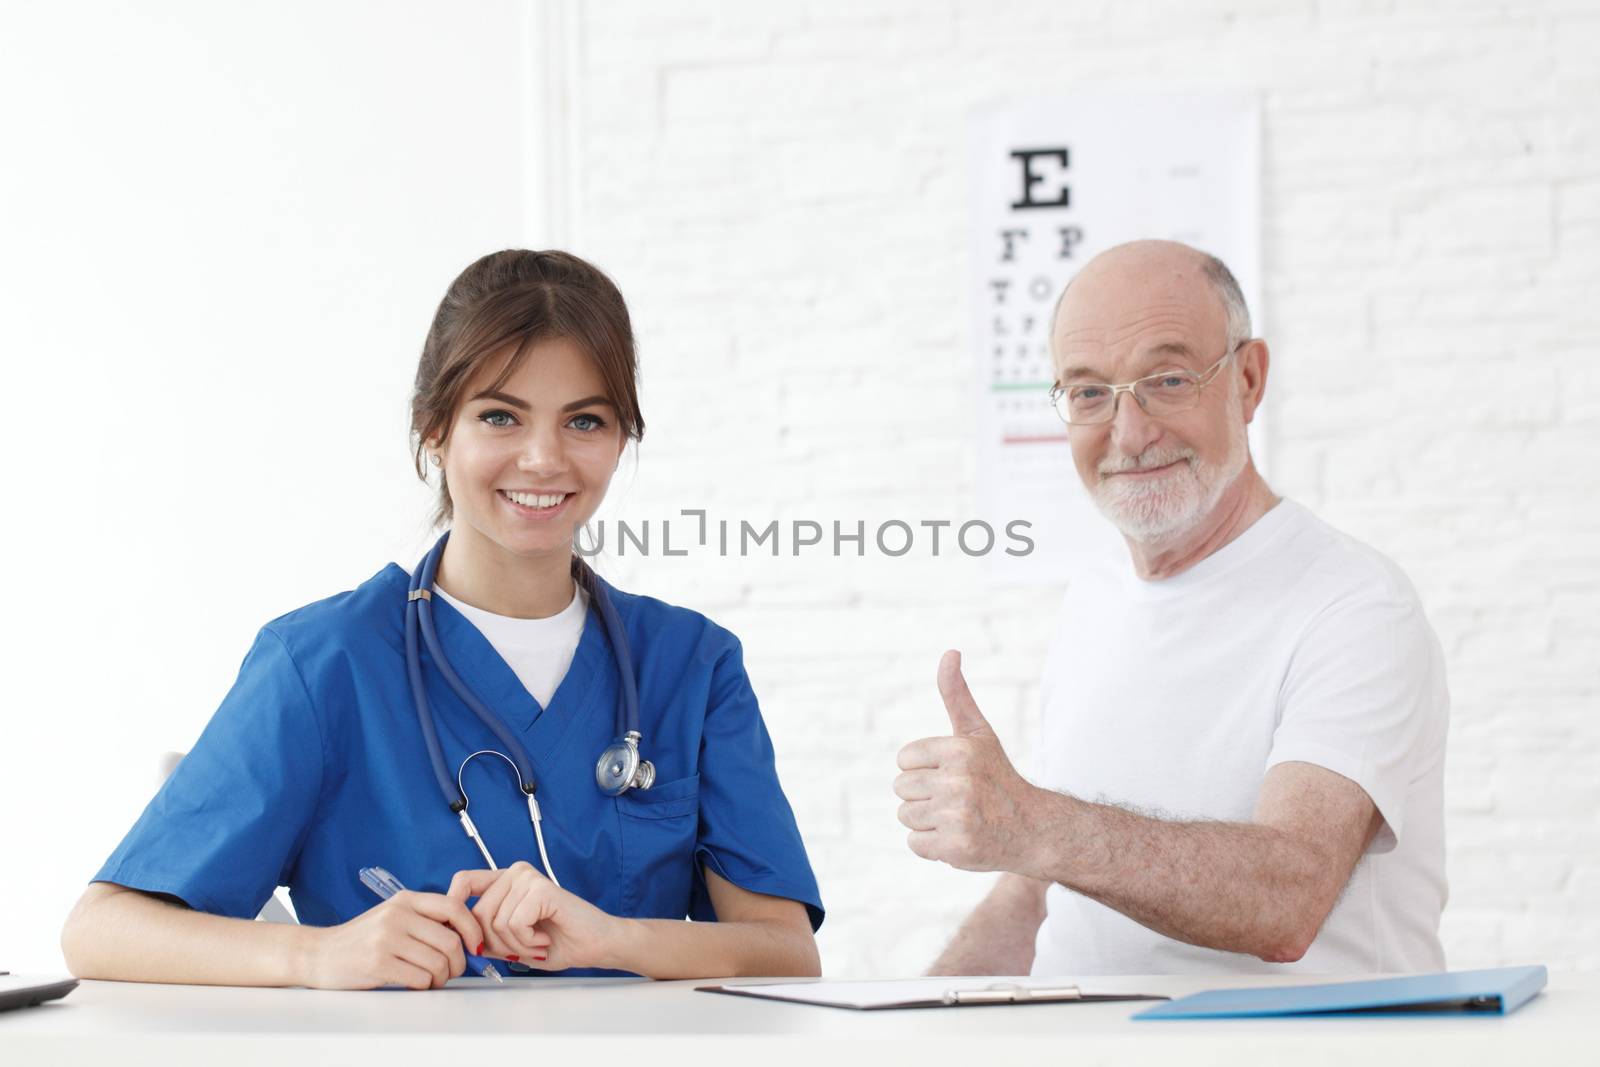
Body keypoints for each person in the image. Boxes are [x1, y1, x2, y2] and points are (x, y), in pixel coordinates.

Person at [62, 250, 823, 989]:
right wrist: (318, 955)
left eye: (584, 422)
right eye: (500, 416)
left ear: (623, 438)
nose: (542, 459)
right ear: (434, 428)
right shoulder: (324, 661)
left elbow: (786, 950)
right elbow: (102, 928)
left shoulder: (690, 663)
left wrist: (613, 937)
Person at [896, 239, 1448, 976]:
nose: (1130, 432)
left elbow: (1289, 897)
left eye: (1167, 378)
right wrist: (905, 1025)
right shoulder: (1094, 599)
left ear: (1248, 380)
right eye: (1089, 392)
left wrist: (1031, 822)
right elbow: (1040, 892)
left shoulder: (1355, 608)